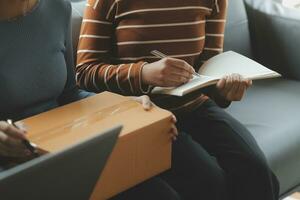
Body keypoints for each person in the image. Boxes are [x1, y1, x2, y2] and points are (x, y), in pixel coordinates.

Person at [76, 0, 280, 199]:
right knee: (210, 183)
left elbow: (206, 70)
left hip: (195, 106)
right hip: (143, 115)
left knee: (256, 169)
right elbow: (84, 73)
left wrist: (223, 91)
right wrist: (144, 73)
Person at [0, 0, 180, 199]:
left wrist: (121, 106)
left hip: (65, 151)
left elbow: (70, 95)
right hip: (12, 165)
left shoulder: (57, 7)